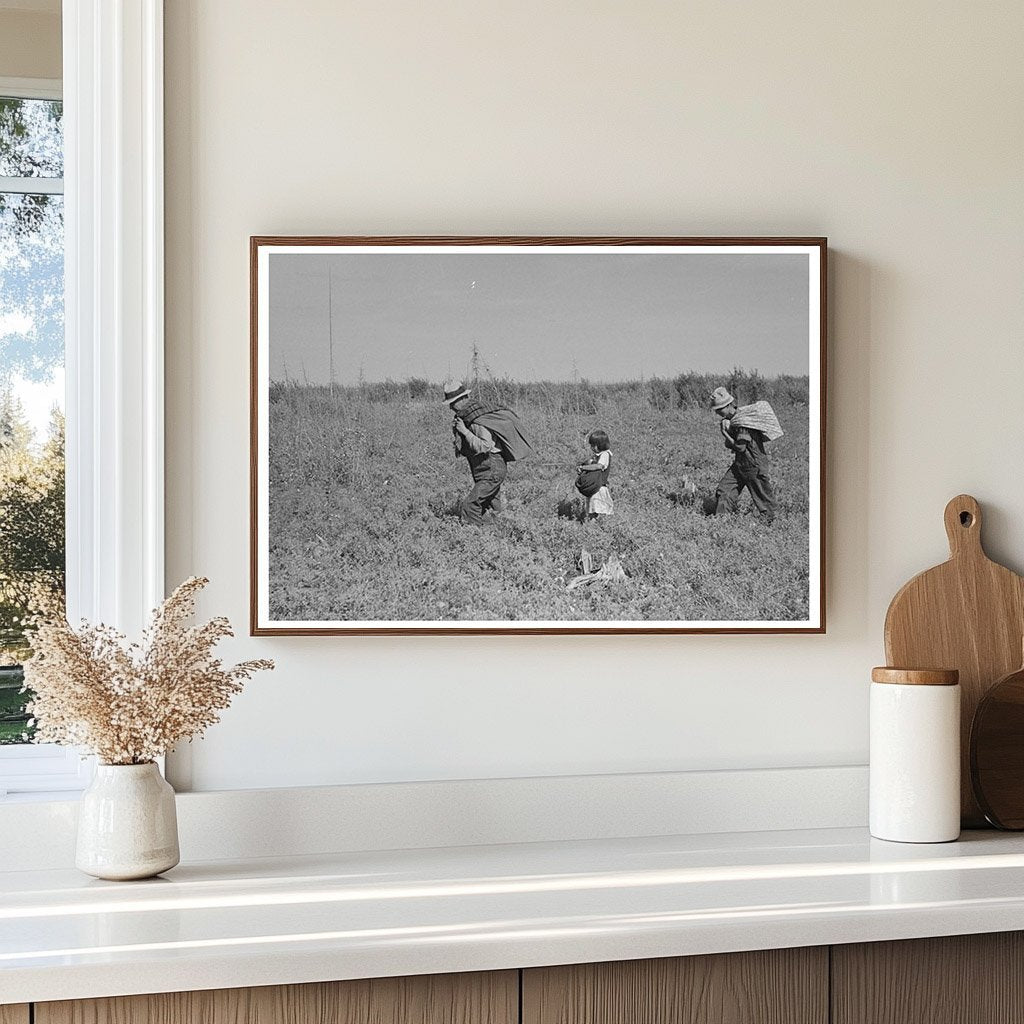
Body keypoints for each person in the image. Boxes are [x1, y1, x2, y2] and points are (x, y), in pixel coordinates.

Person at [444, 380, 532, 526]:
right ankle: (500, 533)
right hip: (485, 469)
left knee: (471, 505)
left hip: (491, 467)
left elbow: (485, 446)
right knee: (493, 508)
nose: (451, 407)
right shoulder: (466, 418)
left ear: (463, 400)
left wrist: (464, 432)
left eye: (453, 402)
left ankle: (470, 538)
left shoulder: (476, 420)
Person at [710, 386, 781, 522]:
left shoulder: (744, 423)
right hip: (740, 464)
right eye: (716, 410)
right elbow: (728, 444)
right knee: (725, 490)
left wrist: (724, 433)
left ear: (730, 405)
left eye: (720, 409)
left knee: (762, 497)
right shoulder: (733, 422)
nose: (718, 412)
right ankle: (721, 522)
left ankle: (772, 523)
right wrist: (728, 430)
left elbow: (740, 447)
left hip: (754, 464)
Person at [576, 429, 614, 518]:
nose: (592, 448)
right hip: (594, 487)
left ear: (600, 445)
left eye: (593, 445)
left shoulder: (605, 454)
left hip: (599, 487)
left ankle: (594, 529)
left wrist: (583, 468)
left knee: (596, 511)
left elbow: (599, 466)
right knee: (592, 511)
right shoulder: (596, 456)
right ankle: (592, 528)